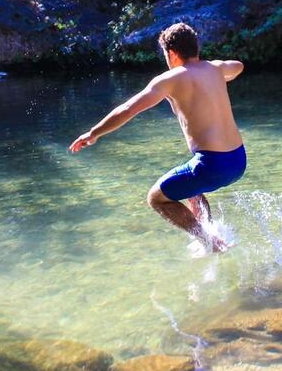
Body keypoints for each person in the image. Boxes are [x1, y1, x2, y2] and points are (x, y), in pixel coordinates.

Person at [69, 22, 246, 252]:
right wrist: (219, 72)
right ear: (196, 48)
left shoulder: (170, 80)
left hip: (212, 164)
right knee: (191, 186)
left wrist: (93, 134)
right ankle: (210, 231)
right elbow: (238, 66)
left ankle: (210, 243)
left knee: (156, 198)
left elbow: (128, 109)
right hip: (238, 161)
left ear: (171, 53)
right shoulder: (216, 69)